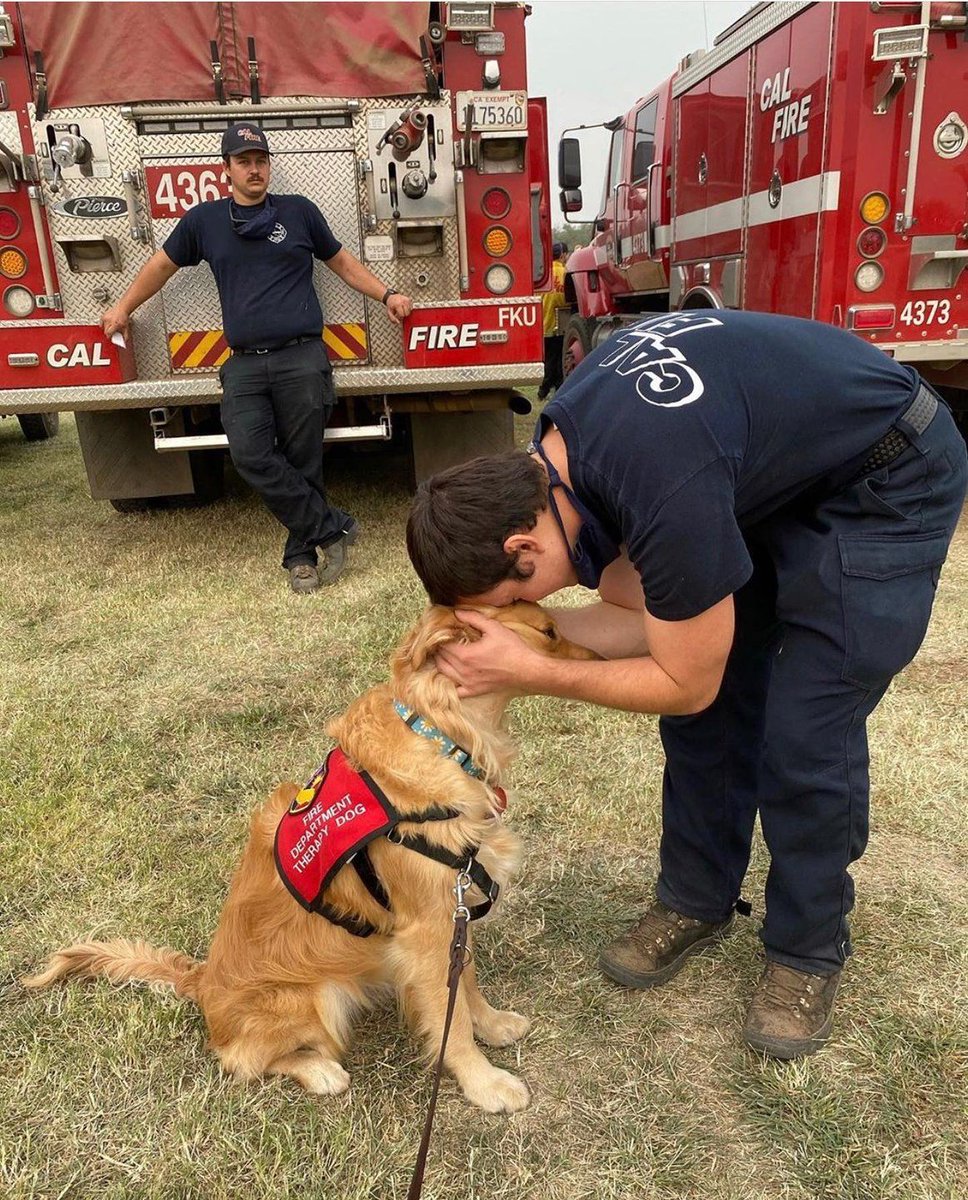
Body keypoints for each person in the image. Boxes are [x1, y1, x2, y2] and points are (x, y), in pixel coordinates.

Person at [406, 309, 967, 1059]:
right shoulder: (559, 463)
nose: (526, 614)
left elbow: (683, 677)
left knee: (806, 727)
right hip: (776, 474)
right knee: (712, 711)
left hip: (886, 474)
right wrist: (536, 638)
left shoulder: (658, 479)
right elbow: (648, 617)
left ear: (522, 546)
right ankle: (698, 899)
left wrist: (531, 669)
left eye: (513, 601)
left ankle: (806, 949)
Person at [102, 122, 413, 594]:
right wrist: (124, 307)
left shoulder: (300, 213)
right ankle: (333, 526)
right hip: (244, 363)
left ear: (269, 166)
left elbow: (343, 264)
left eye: (260, 160)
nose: (254, 169)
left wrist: (386, 294)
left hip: (302, 358)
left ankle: (301, 556)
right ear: (225, 170)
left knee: (303, 459)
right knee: (250, 454)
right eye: (244, 161)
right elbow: (161, 266)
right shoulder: (203, 221)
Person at [537, 241, 568, 401]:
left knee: (549, 358)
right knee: (557, 359)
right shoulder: (565, 273)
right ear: (563, 255)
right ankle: (547, 388)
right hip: (560, 325)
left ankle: (550, 387)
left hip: (542, 324)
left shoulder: (542, 274)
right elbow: (565, 300)